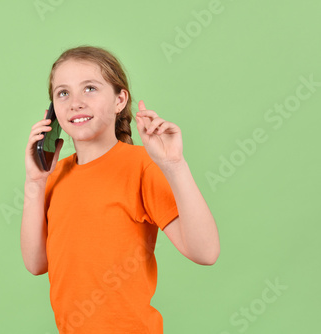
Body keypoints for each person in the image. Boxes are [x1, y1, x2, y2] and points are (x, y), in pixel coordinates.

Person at [20, 45, 220, 333]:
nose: (75, 102)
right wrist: (35, 183)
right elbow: (36, 263)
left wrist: (175, 165)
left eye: (89, 88)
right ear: (52, 111)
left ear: (119, 100)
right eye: (63, 93)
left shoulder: (142, 166)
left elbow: (206, 252)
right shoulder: (54, 176)